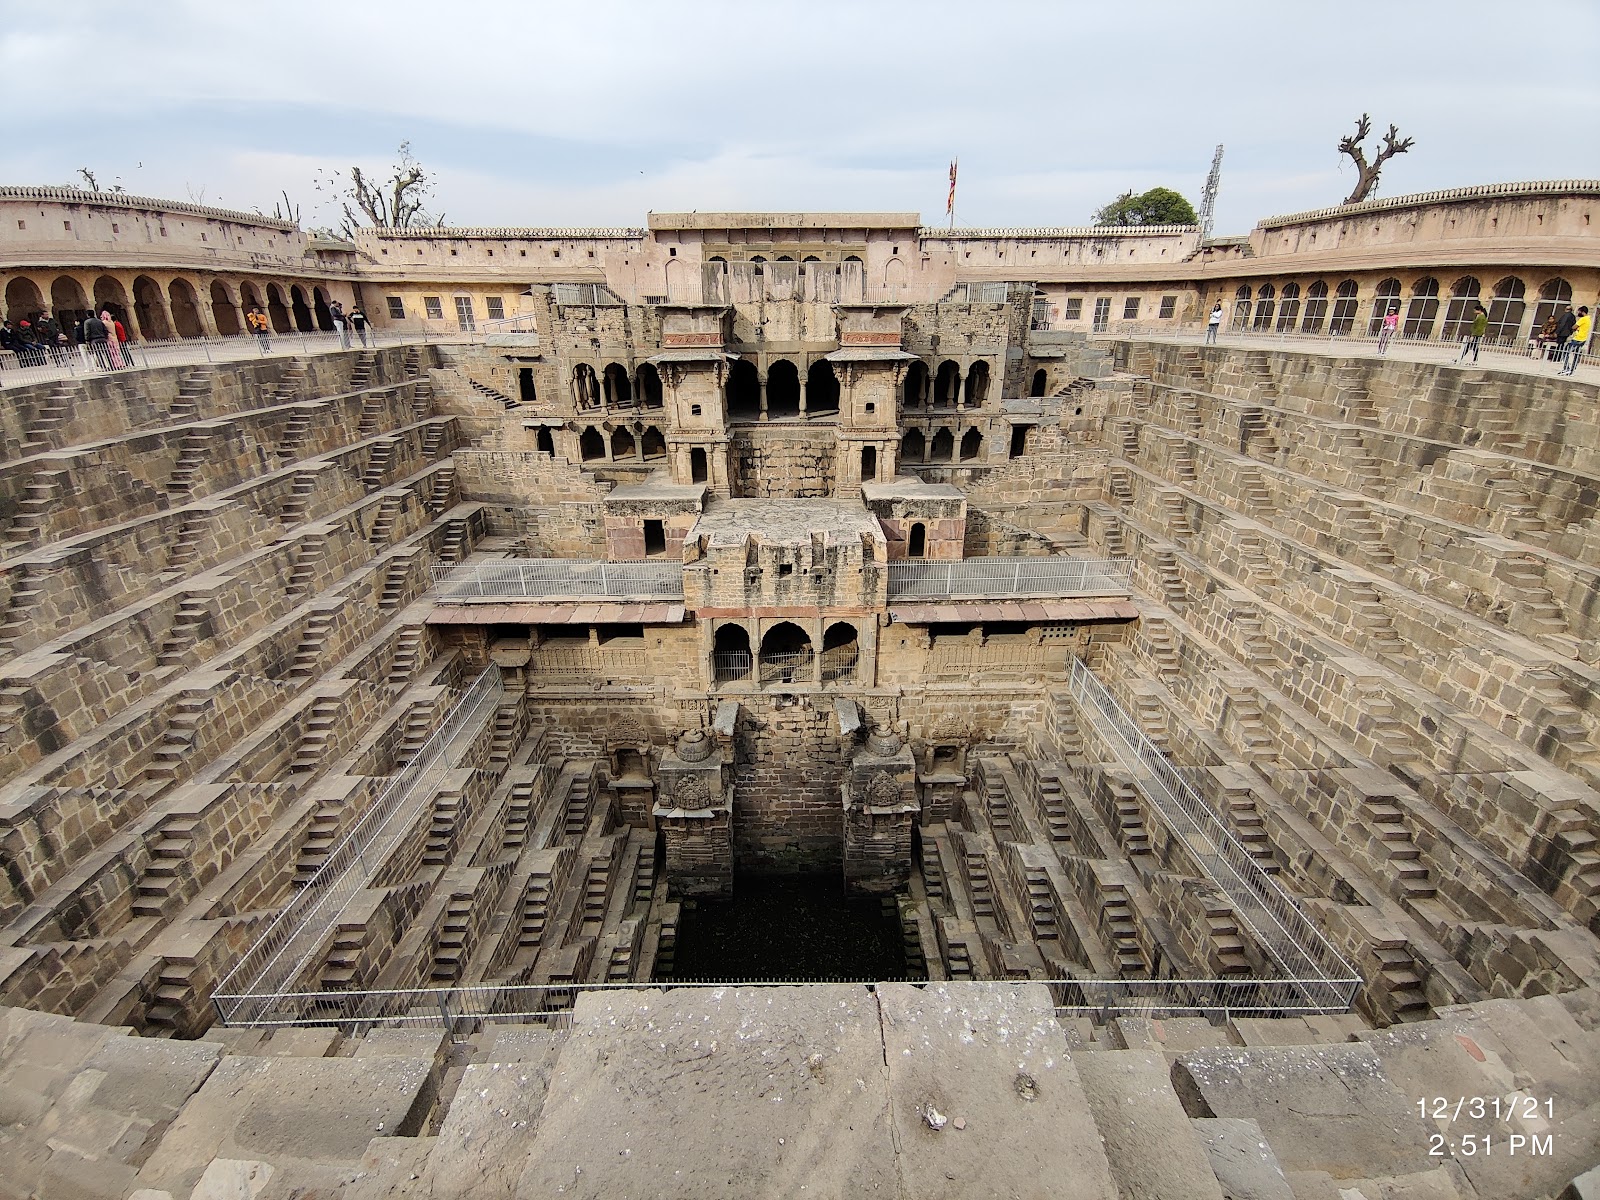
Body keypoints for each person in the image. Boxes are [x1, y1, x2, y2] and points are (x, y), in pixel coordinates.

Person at [1559, 306, 1591, 376]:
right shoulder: (1588, 319)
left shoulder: (1583, 319)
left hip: (1577, 339)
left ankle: (1566, 368)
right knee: (1576, 355)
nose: (1578, 313)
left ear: (1582, 312)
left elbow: (1574, 327)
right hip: (1583, 339)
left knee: (1566, 352)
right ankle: (1572, 371)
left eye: (1579, 311)